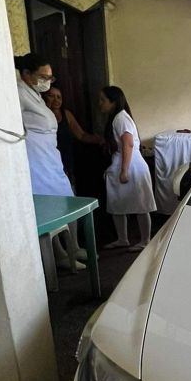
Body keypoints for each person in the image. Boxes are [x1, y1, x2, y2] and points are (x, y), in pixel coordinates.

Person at [15, 53, 86, 270]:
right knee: (48, 210)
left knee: (68, 201)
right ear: (26, 73)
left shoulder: (35, 94)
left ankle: (73, 246)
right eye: (43, 76)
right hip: (36, 162)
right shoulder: (18, 93)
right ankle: (60, 254)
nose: (47, 81)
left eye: (50, 77)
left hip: (51, 159)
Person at [98, 86, 156, 251]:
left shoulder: (120, 118)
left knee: (141, 204)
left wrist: (124, 170)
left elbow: (128, 144)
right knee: (117, 203)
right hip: (124, 163)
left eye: (103, 100)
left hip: (131, 165)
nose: (100, 104)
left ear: (113, 102)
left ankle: (145, 240)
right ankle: (122, 238)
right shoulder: (117, 118)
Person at [42, 86, 103, 185]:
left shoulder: (66, 114)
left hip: (66, 161)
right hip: (48, 161)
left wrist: (100, 139)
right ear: (44, 97)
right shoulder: (42, 115)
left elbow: (81, 135)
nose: (56, 100)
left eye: (59, 97)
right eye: (51, 96)